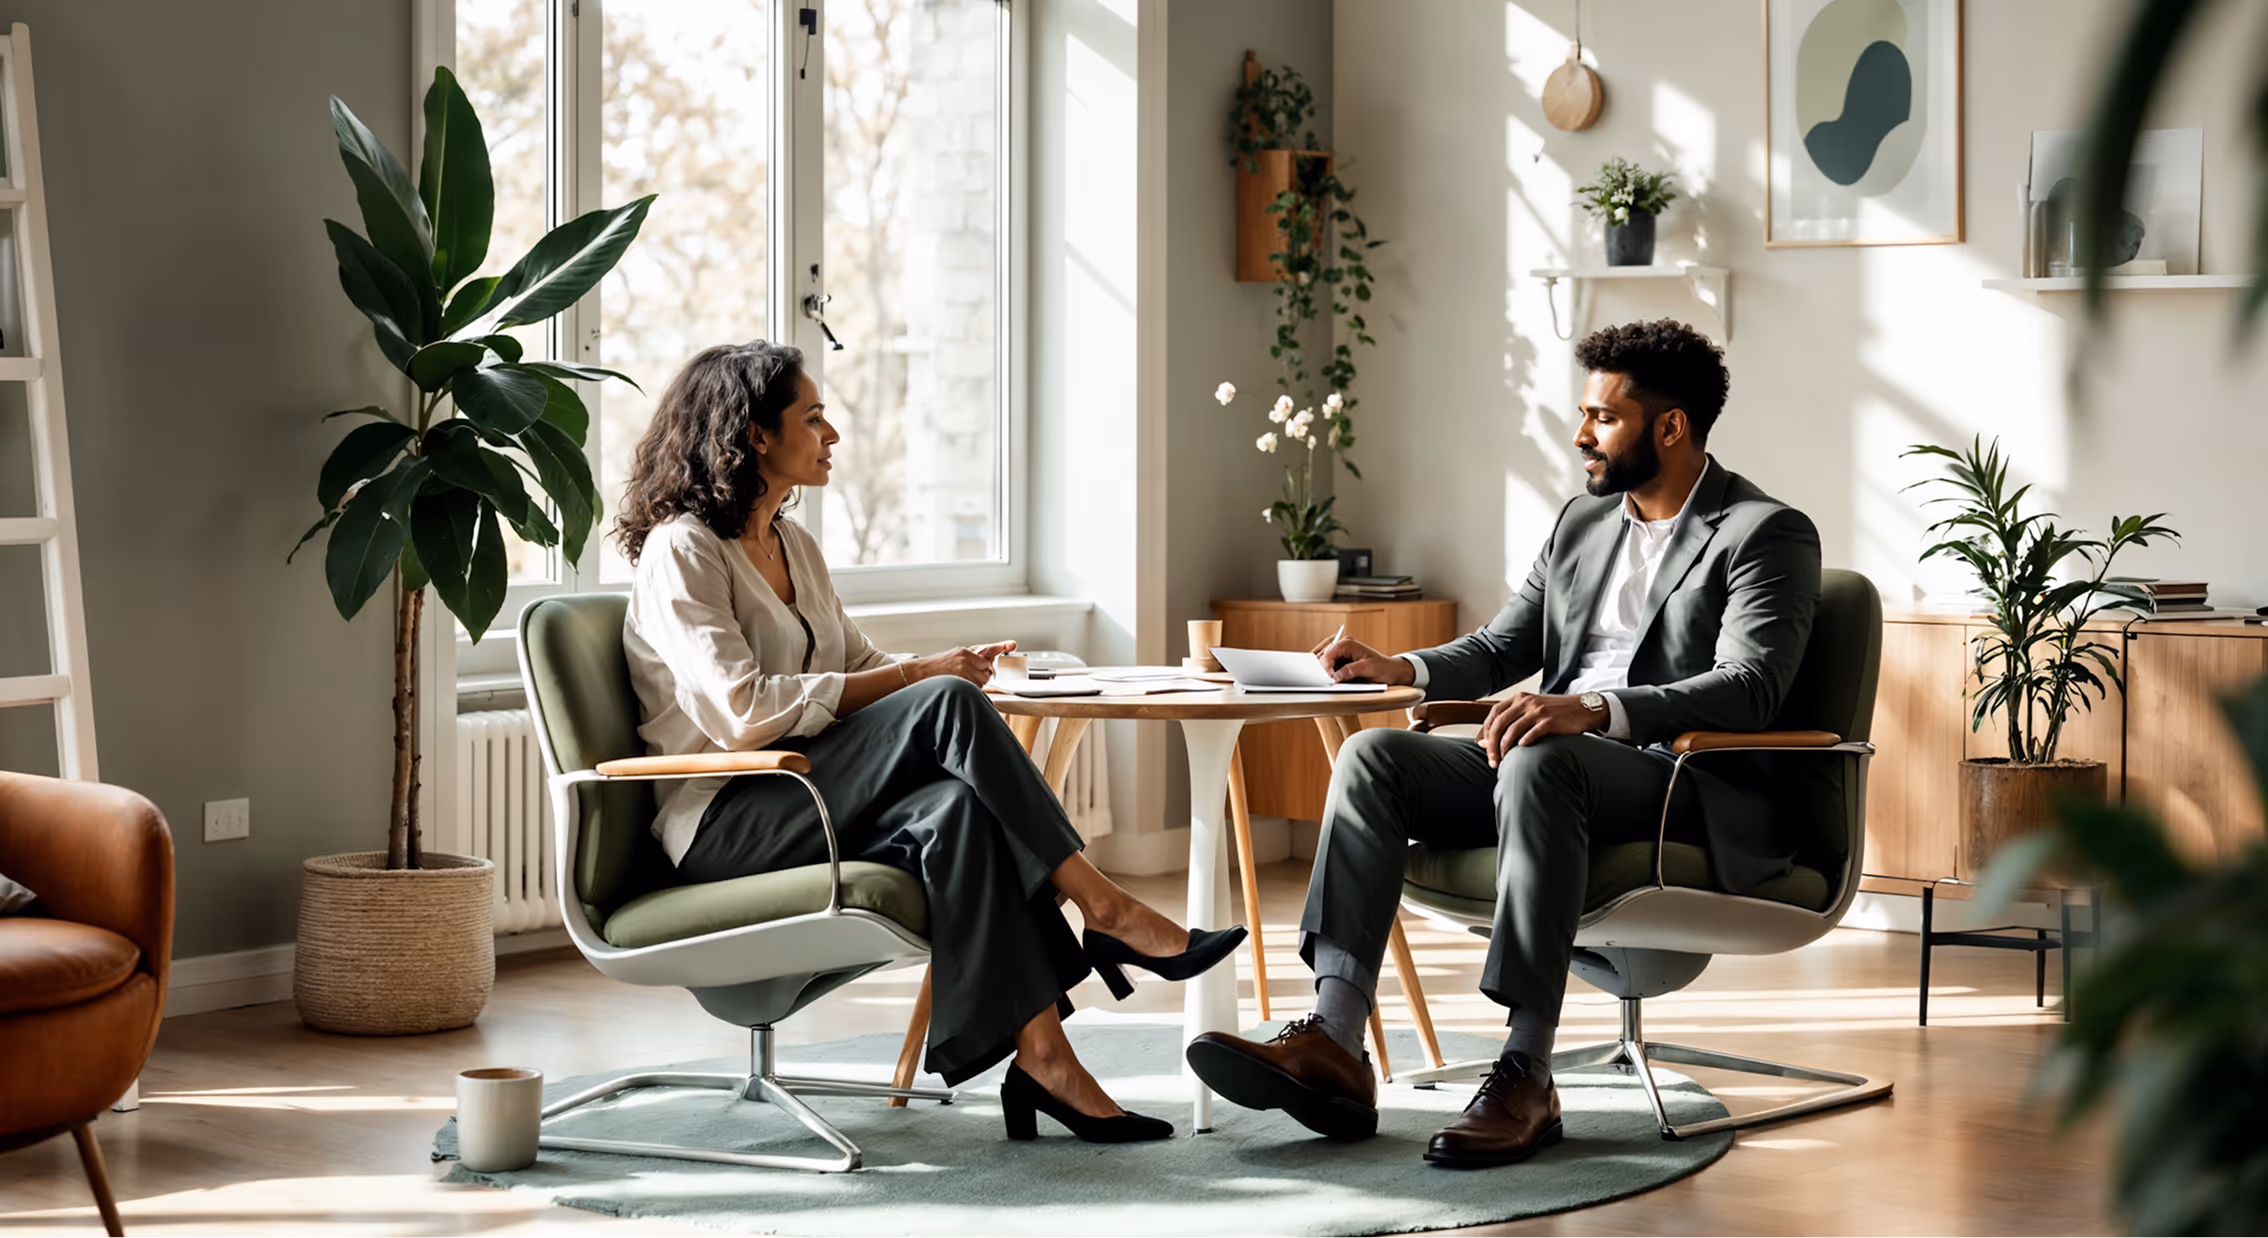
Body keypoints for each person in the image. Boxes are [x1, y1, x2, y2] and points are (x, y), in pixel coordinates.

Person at [1185, 319, 1821, 1167]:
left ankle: (1526, 1069)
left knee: (1543, 753)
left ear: (1670, 427)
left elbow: (1751, 687)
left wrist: (1594, 708)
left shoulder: (1761, 532)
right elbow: (1499, 648)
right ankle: (1335, 1041)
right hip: (1550, 765)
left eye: (1603, 416)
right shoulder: (1582, 524)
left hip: (1677, 778)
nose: (1580, 432)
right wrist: (1400, 664)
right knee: (1374, 757)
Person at [615, 339, 1245, 1145]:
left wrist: (951, 671)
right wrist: (926, 678)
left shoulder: (793, 547)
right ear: (755, 436)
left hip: (804, 795)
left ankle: (1046, 1058)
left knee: (955, 810)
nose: (833, 433)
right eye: (813, 417)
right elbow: (740, 712)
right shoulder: (685, 549)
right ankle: (1106, 903)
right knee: (943, 702)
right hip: (726, 822)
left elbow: (861, 665)